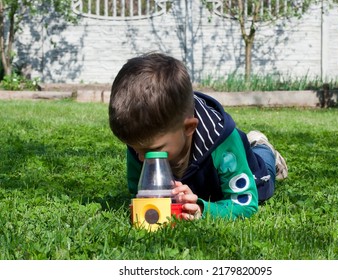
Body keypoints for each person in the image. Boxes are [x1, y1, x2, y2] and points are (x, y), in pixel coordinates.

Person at [108, 53, 288, 220]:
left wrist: (203, 209)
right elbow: (137, 194)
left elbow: (245, 203)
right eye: (134, 148)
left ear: (189, 128)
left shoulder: (222, 142)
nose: (140, 157)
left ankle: (263, 147)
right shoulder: (143, 140)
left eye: (152, 150)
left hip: (250, 169)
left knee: (265, 179)